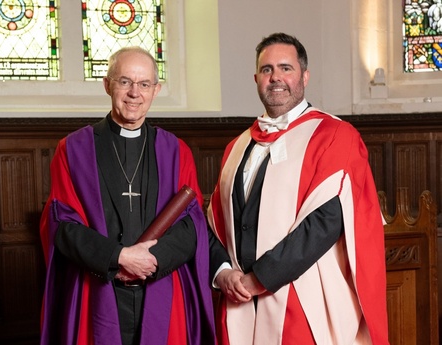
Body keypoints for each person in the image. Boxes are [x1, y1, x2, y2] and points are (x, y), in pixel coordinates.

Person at [207, 33, 389, 344]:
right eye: (267, 70)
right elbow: (214, 222)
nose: (276, 77)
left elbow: (325, 222)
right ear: (256, 79)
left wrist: (260, 279)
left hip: (303, 298)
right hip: (240, 302)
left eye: (285, 68)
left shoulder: (335, 136)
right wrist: (223, 271)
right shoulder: (237, 147)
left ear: (304, 75)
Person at [40, 46, 215, 345]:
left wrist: (151, 261)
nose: (135, 92)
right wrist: (119, 257)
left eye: (144, 84)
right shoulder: (73, 149)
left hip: (160, 284)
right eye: (125, 81)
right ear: (107, 85)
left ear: (156, 90)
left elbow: (192, 225)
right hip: (97, 286)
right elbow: (63, 225)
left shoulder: (176, 151)